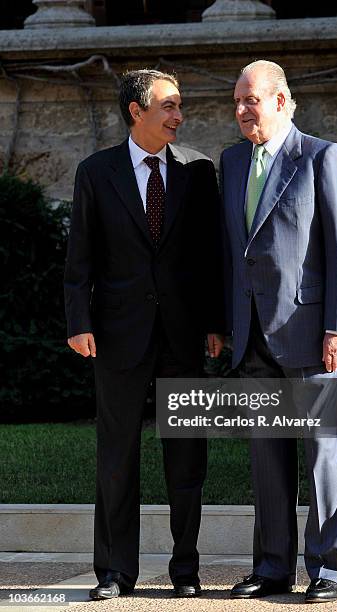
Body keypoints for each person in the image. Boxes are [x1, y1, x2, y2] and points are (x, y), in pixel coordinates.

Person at [64, 69, 224, 600]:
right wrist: (78, 322)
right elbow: (80, 256)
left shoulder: (199, 170)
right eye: (169, 107)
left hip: (183, 336)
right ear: (137, 111)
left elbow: (210, 256)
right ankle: (113, 572)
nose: (180, 116)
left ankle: (186, 572)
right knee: (117, 456)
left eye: (180, 107)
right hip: (116, 335)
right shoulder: (95, 171)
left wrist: (216, 323)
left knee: (186, 457)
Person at [220, 60, 337, 603]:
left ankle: (328, 570)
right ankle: (272, 567)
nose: (240, 111)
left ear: (281, 100)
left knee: (321, 453)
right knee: (266, 458)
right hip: (252, 333)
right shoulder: (232, 162)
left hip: (310, 334)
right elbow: (230, 250)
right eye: (236, 102)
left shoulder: (323, 157)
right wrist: (223, 323)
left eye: (249, 101)